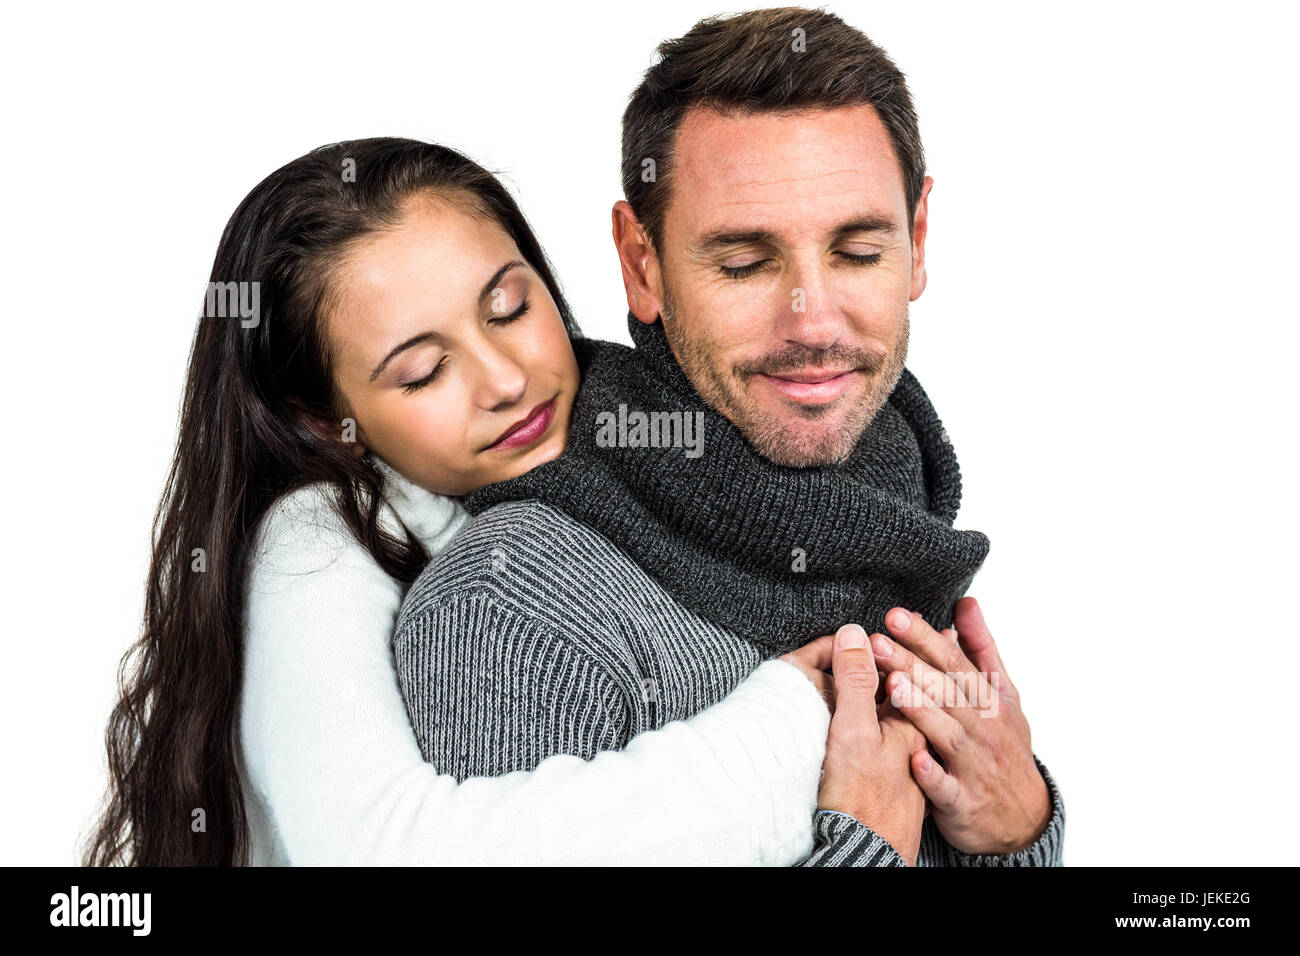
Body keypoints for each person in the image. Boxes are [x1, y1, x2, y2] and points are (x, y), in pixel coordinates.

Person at [82, 137, 876, 866]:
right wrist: (804, 721)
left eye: (510, 309)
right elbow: (382, 849)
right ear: (326, 421)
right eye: (425, 371)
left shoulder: (625, 442)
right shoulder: (316, 540)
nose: (505, 381)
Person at [392, 7, 1065, 866]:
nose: (813, 322)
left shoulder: (889, 521)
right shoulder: (520, 609)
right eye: (744, 264)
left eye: (859, 251)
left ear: (919, 238)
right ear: (643, 265)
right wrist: (861, 854)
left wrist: (1017, 832)